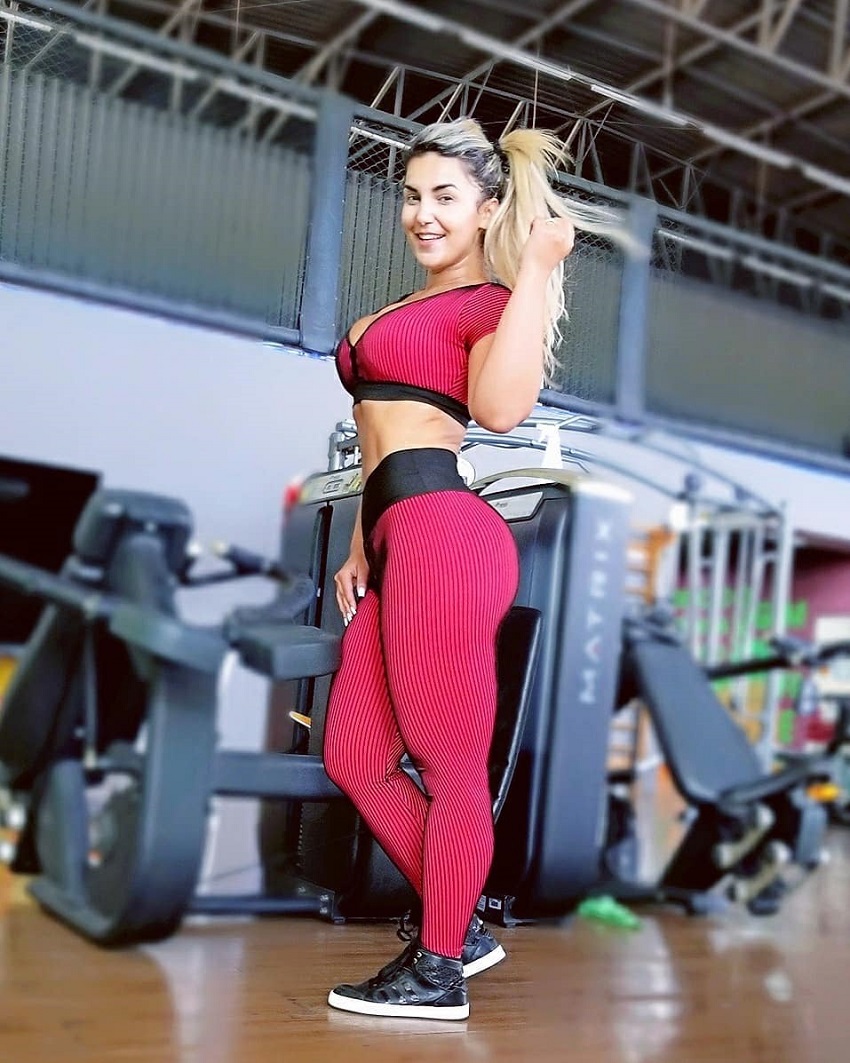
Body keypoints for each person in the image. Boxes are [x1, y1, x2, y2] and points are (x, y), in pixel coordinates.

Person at [322, 117, 612, 1021]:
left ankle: (439, 965)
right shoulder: (402, 311)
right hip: (396, 536)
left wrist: (539, 268)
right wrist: (360, 540)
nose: (422, 213)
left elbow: (496, 405)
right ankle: (462, 928)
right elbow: (382, 439)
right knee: (355, 755)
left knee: (449, 765)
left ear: (489, 208)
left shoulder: (492, 302)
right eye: (411, 195)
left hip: (448, 534)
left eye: (445, 196)